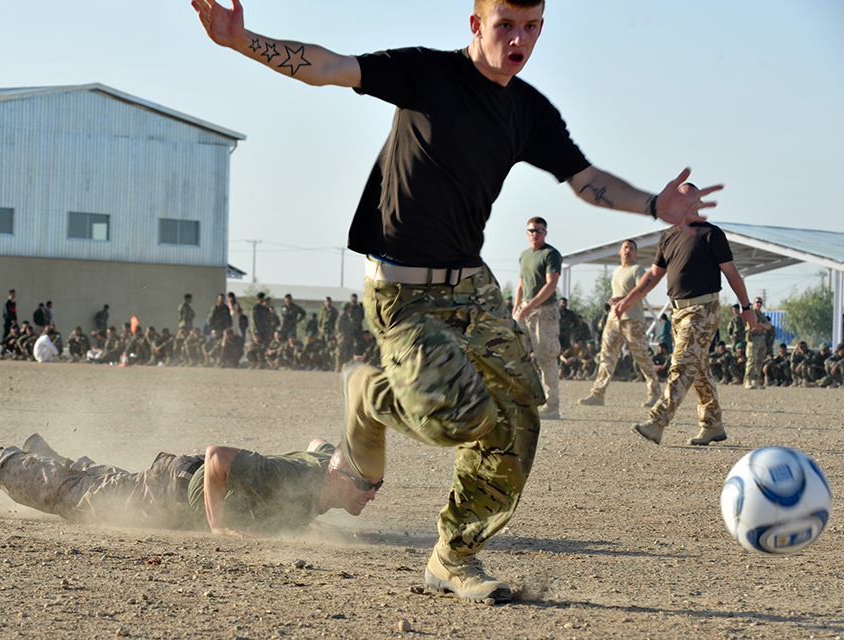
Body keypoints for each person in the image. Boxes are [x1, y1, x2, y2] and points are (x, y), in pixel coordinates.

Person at [192, 0, 720, 603]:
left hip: (471, 286)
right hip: (402, 291)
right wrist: (242, 41)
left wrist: (656, 205)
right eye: (505, 26)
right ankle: (371, 394)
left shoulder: (527, 110)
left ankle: (453, 556)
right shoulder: (426, 74)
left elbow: (584, 179)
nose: (518, 39)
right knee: (462, 418)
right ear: (476, 25)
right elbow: (328, 66)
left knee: (519, 420)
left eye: (531, 27)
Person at [0, 423, 380, 536]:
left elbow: (321, 441)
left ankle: (48, 456)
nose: (371, 496)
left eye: (377, 487)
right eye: (366, 486)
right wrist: (218, 523)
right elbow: (218, 457)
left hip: (167, 480)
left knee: (99, 487)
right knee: (71, 498)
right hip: (168, 496)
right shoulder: (290, 476)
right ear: (339, 477)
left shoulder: (320, 469)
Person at [615, 184, 754, 446]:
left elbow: (732, 272)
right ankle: (713, 425)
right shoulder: (668, 235)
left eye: (690, 198)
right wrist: (628, 298)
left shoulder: (711, 234)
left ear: (698, 202)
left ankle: (657, 422)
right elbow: (654, 275)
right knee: (698, 368)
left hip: (703, 310)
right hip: (678, 311)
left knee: (681, 366)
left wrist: (746, 308)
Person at [578, 239, 662, 408]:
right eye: (625, 248)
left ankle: (655, 393)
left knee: (642, 357)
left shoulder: (638, 269)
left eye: (631, 248)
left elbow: (642, 291)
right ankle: (598, 394)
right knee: (606, 357)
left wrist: (624, 299)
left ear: (635, 253)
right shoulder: (617, 271)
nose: (628, 251)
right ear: (620, 251)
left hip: (633, 320)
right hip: (613, 320)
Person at [514, 216, 562, 420]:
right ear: (527, 233)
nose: (535, 234)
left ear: (545, 233)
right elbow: (521, 285)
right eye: (532, 231)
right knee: (518, 355)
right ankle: (524, 402)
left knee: (546, 358)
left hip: (544, 312)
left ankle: (552, 406)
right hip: (524, 311)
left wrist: (531, 306)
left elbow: (551, 284)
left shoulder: (551, 254)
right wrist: (516, 310)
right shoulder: (524, 256)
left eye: (539, 231)